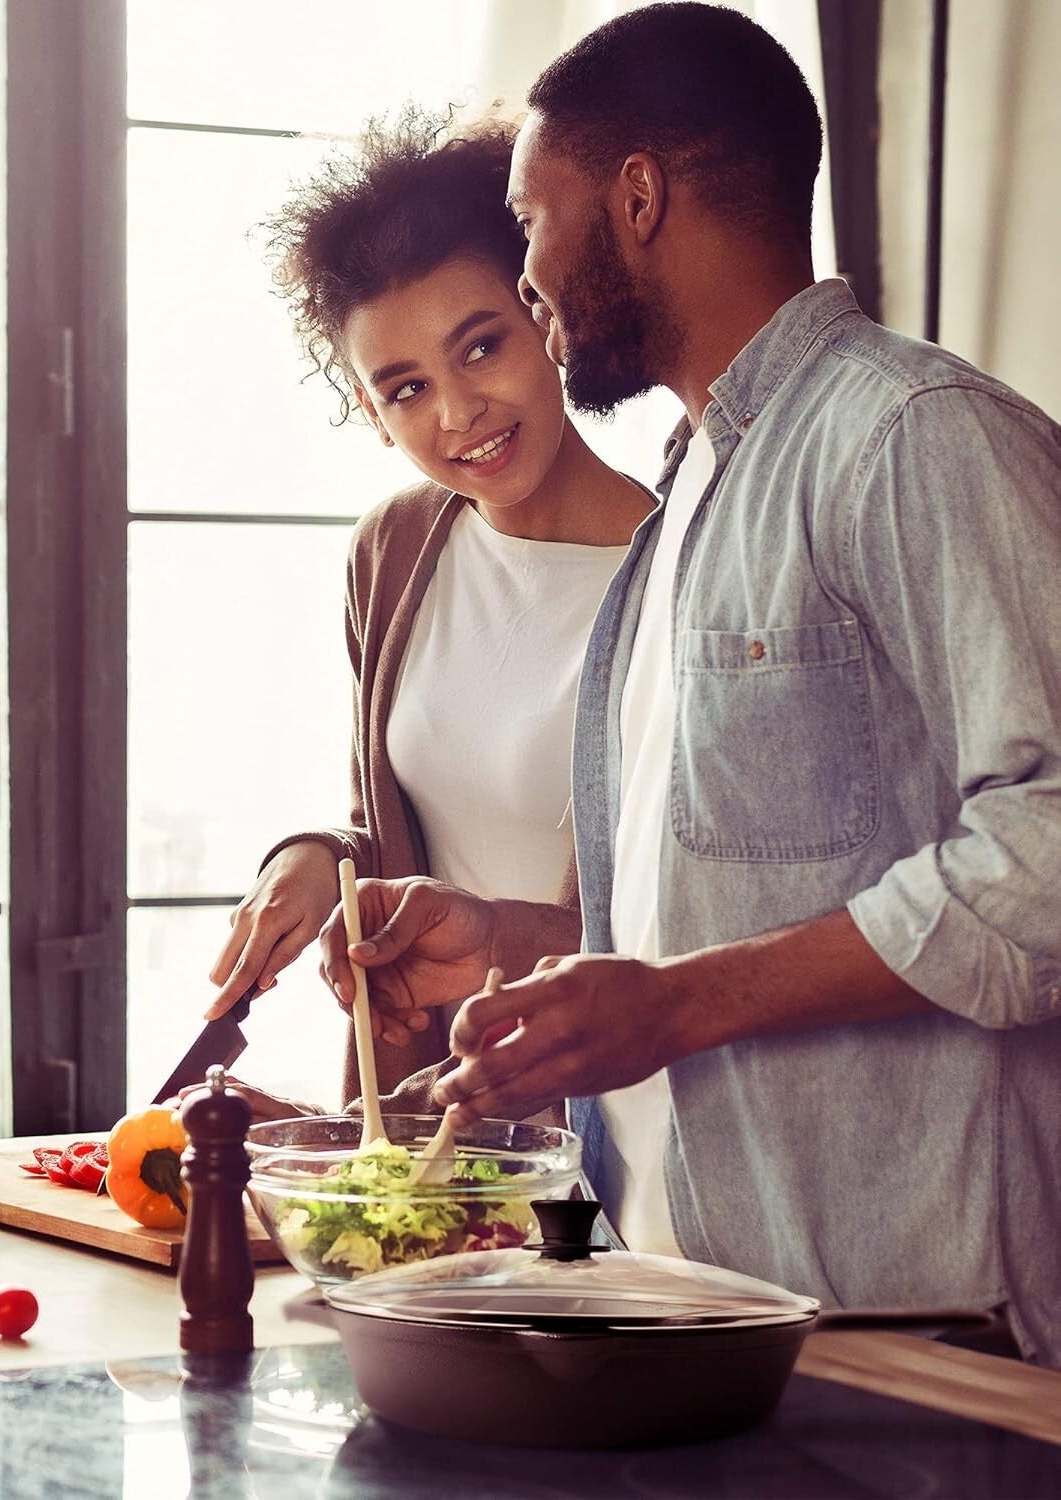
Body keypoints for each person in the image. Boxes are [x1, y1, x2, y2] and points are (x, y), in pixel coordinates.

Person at [320, 3, 1061, 1363]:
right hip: (701, 1296)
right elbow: (729, 915)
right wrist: (509, 941)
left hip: (918, 1315)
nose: (531, 278)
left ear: (639, 199)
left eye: (534, 225)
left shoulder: (913, 438)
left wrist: (675, 1005)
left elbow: (1050, 855)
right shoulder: (693, 501)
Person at [204, 110, 651, 1112]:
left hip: (623, 1132)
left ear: (547, 316)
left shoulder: (681, 569)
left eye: (481, 347)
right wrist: (318, 857)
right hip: (441, 1136)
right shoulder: (396, 551)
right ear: (371, 409)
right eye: (406, 388)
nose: (457, 416)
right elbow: (404, 823)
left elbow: (696, 923)